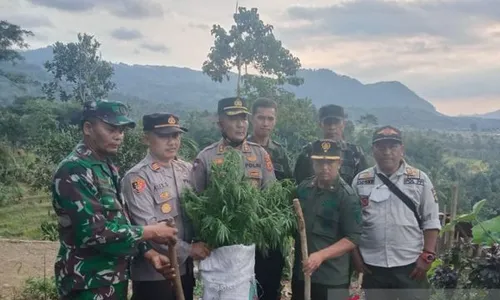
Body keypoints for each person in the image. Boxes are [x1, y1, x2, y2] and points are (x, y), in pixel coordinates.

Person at [51, 100, 178, 300]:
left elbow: (121, 219)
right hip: (86, 283)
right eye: (111, 129)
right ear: (88, 128)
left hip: (112, 280)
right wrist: (152, 231)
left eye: (121, 130)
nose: (118, 136)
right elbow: (95, 232)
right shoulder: (74, 170)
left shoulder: (106, 167)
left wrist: (149, 253)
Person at [122, 113, 211, 300]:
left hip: (184, 270)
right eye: (164, 136)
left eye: (176, 136)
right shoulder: (138, 178)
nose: (172, 142)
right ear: (146, 138)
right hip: (154, 274)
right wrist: (190, 249)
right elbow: (150, 230)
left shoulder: (187, 170)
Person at [351, 126, 441, 300]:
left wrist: (427, 256)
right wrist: (356, 257)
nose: (387, 152)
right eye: (381, 147)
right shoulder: (361, 180)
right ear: (373, 150)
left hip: (411, 265)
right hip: (373, 266)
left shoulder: (419, 180)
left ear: (402, 149)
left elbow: (431, 220)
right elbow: (352, 223)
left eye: (392, 147)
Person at [291, 139, 362, 300]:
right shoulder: (303, 189)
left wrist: (321, 256)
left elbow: (353, 238)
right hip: (303, 275)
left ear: (339, 163)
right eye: (319, 162)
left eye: (330, 163)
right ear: (312, 163)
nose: (324, 168)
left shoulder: (347, 196)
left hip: (331, 279)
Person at [247, 97, 292, 300]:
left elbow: (287, 188)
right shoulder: (240, 149)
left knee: (271, 284)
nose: (265, 123)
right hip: (246, 231)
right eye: (261, 118)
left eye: (270, 118)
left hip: (272, 233)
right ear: (251, 118)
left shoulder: (280, 152)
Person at [191, 96, 276, 193]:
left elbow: (271, 194)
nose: (240, 125)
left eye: (244, 119)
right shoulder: (205, 157)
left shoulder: (260, 154)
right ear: (220, 124)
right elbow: (195, 199)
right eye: (233, 119)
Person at [294, 104, 367, 185]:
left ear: (343, 124)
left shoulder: (355, 153)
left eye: (336, 122)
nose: (332, 127)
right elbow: (299, 183)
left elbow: (362, 186)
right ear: (320, 125)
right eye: (328, 123)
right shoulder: (309, 151)